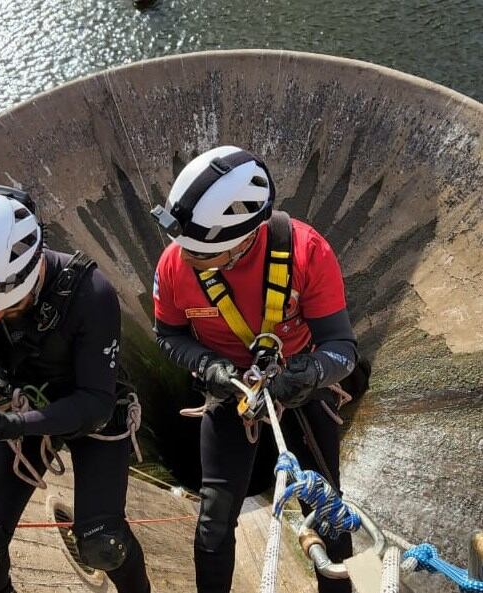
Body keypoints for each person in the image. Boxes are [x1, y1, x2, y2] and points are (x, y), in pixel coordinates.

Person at [150, 146, 361, 593]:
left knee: (329, 516)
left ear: (242, 241)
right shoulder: (176, 261)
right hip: (230, 393)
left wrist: (308, 374)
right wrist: (208, 366)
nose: (182, 257)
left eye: (198, 251)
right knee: (212, 522)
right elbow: (168, 336)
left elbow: (342, 348)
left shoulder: (307, 252)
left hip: (299, 388)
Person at [0, 185, 151, 593]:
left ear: (32, 271)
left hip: (88, 407)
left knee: (103, 543)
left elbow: (94, 406)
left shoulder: (91, 295)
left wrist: (8, 425)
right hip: (21, 401)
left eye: (9, 305)